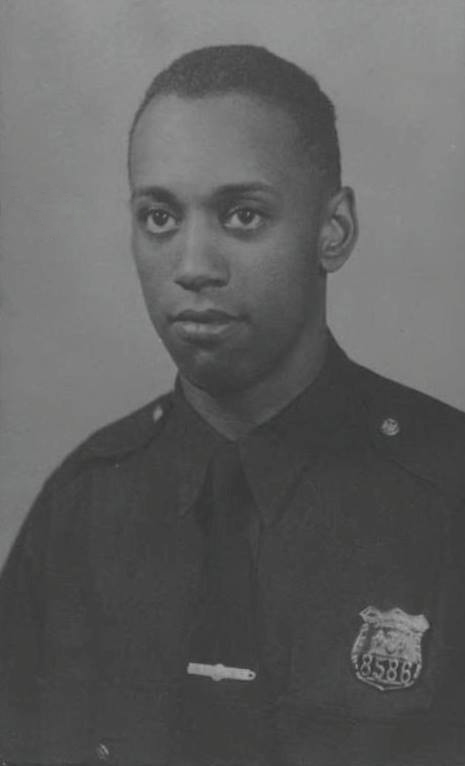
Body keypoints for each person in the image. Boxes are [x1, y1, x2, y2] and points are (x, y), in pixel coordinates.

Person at [1, 44, 465, 766]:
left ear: (333, 231)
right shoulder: (82, 506)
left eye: (243, 215)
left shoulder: (448, 495)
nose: (192, 266)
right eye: (159, 217)